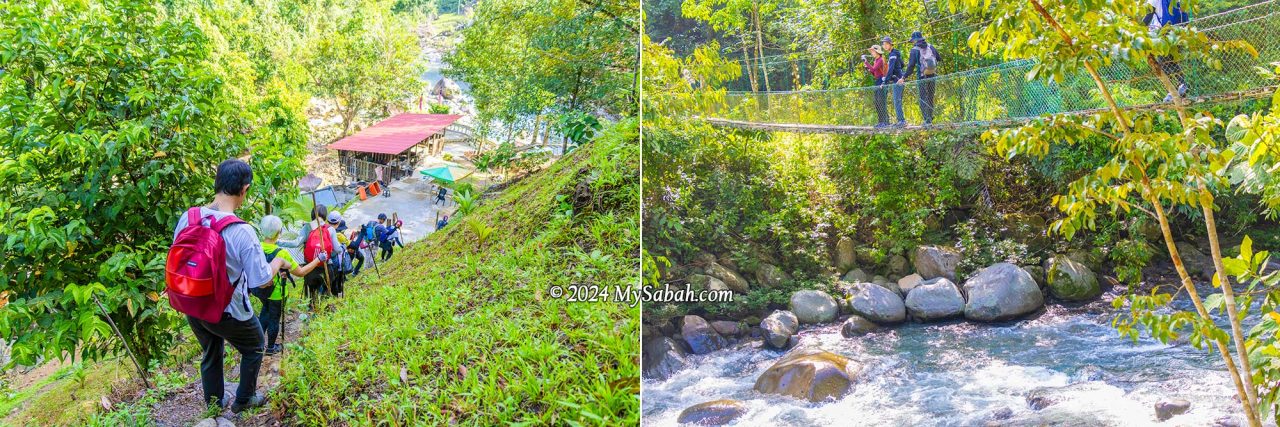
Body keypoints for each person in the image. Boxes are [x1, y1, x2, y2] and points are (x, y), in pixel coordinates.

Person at [171, 159, 286, 413]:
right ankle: (244, 400)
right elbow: (262, 281)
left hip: (192, 302)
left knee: (211, 349)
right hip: (227, 309)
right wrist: (277, 263)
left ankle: (214, 403)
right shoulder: (241, 231)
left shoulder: (188, 217)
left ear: (218, 183)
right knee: (255, 345)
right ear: (244, 189)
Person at [255, 215, 326, 355]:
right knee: (274, 319)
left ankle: (257, 344)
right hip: (275, 292)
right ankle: (270, 348)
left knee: (265, 312)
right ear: (279, 232)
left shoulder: (256, 247)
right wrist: (318, 259)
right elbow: (301, 272)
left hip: (260, 290)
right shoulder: (281, 254)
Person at [278, 204, 341, 303]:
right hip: (325, 267)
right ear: (325, 216)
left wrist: (278, 242)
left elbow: (296, 243)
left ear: (312, 215)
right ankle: (324, 306)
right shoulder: (330, 229)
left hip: (310, 267)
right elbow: (337, 249)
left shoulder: (307, 227)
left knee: (311, 293)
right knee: (326, 289)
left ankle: (312, 307)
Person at [1144, 0, 1189, 102]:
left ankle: (1174, 90)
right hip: (1178, 33)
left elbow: (1148, 16)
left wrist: (1138, 30)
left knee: (1164, 64)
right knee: (1171, 62)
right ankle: (1181, 86)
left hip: (1163, 35)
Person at [900, 31, 942, 126]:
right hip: (932, 75)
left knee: (923, 98)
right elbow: (939, 58)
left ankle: (926, 120)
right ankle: (930, 119)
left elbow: (911, 66)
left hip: (922, 76)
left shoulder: (914, 50)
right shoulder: (930, 46)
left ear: (914, 40)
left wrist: (904, 77)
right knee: (930, 97)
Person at [881, 36, 906, 127]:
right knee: (897, 100)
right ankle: (901, 120)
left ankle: (901, 121)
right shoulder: (895, 53)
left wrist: (885, 82)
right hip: (898, 79)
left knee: (896, 101)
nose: (884, 46)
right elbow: (902, 64)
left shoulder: (892, 55)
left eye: (886, 44)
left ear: (890, 44)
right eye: (883, 44)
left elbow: (890, 69)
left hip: (898, 81)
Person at [862, 45, 890, 127]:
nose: (872, 53)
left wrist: (866, 62)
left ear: (877, 52)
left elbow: (874, 69)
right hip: (877, 81)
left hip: (882, 81)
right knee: (877, 102)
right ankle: (881, 122)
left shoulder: (880, 60)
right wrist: (868, 67)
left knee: (881, 101)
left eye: (873, 51)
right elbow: (874, 73)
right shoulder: (876, 60)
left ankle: (885, 122)